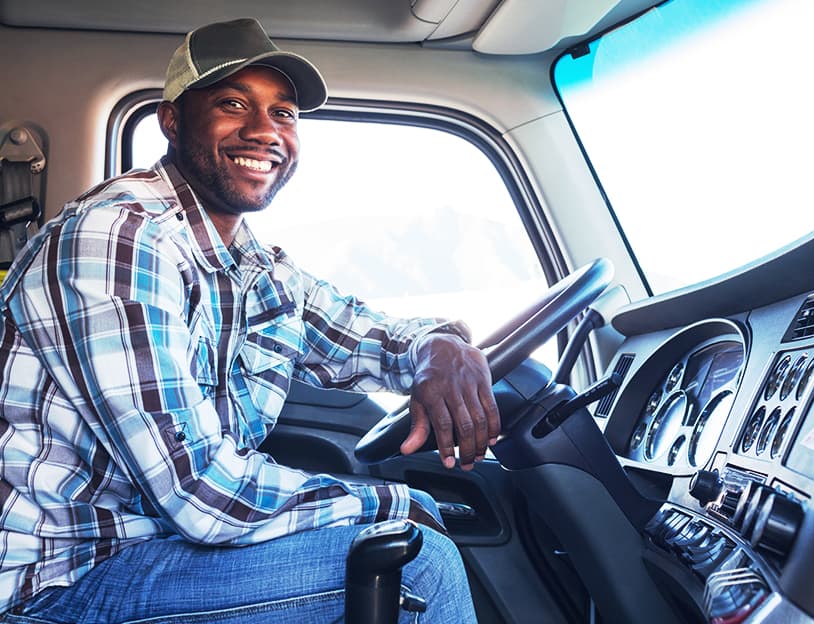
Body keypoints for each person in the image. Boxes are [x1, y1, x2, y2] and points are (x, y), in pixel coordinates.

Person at [0, 18, 498, 623]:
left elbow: (355, 331)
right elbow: (199, 492)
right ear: (173, 121)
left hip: (150, 550)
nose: (265, 131)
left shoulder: (250, 262)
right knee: (412, 561)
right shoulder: (118, 238)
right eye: (233, 105)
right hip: (60, 582)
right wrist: (390, 502)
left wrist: (437, 346)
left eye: (283, 113)